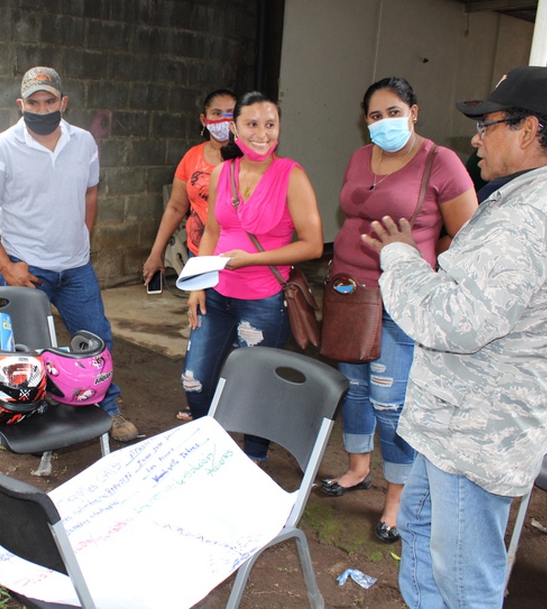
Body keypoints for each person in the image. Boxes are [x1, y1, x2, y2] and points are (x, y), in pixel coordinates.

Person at [360, 66, 547, 608]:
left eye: (488, 124)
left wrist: (398, 256)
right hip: (456, 424)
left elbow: (454, 320)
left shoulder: (525, 217)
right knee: (419, 529)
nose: (477, 137)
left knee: (467, 581)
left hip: (477, 433)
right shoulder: (516, 199)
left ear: (529, 129)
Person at [319, 77, 477, 544]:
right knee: (354, 389)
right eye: (374, 115)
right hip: (349, 293)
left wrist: (424, 264)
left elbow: (465, 235)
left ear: (413, 111)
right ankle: (356, 469)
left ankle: (397, 495)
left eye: (393, 112)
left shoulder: (440, 161)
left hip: (399, 300)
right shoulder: (358, 157)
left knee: (392, 401)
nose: (383, 122)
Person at [0, 66, 138, 442]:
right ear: (21, 104)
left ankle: (106, 408)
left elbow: (90, 194)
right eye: (34, 102)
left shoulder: (84, 143)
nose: (42, 109)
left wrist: (83, 237)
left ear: (63, 102)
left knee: (96, 341)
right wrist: (6, 267)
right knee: (23, 354)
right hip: (26, 270)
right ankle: (28, 419)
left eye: (50, 101)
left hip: (76, 267)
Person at [183, 91, 323, 460]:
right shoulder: (222, 173)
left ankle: (253, 461)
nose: (262, 133)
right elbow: (211, 231)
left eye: (270, 124)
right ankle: (209, 450)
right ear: (234, 128)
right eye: (252, 124)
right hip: (215, 293)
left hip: (263, 300)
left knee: (253, 388)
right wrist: (197, 283)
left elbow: (312, 245)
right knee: (195, 379)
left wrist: (252, 260)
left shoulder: (291, 176)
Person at [142, 88, 236, 422]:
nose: (223, 121)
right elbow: (176, 207)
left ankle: (234, 411)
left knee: (239, 343)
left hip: (240, 264)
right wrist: (156, 254)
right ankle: (202, 407)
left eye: (231, 113)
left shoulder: (249, 159)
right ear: (203, 119)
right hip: (202, 261)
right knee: (204, 337)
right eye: (217, 113)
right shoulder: (192, 158)